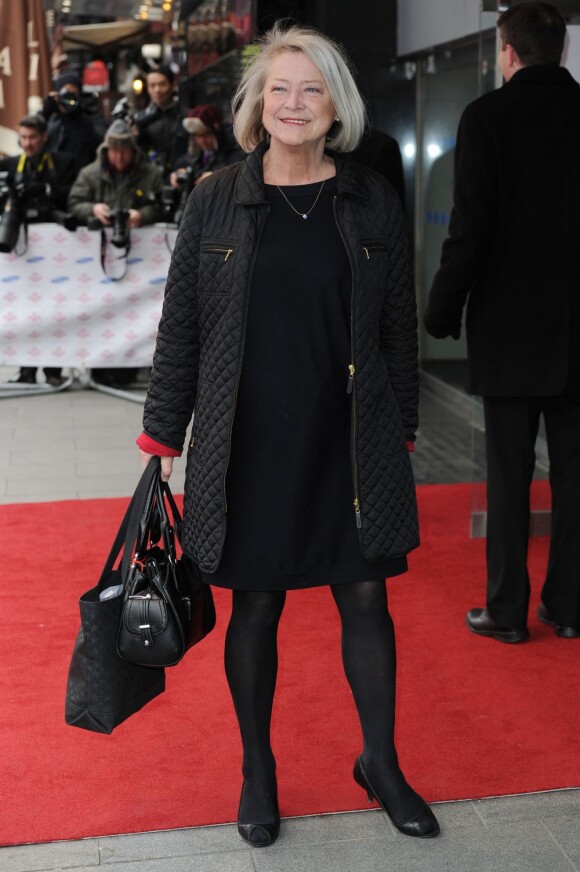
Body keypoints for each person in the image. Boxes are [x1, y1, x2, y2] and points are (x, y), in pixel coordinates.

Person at [137, 23, 440, 847]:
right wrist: (163, 432)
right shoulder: (216, 196)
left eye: (311, 89)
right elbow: (182, 327)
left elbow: (394, 327)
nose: (295, 103)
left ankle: (379, 761)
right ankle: (257, 770)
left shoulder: (370, 193)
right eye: (280, 89)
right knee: (257, 605)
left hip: (350, 429)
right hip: (250, 434)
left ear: (334, 102)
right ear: (257, 106)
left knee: (367, 596)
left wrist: (403, 422)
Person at [424, 2, 580, 643]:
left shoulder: (486, 118)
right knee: (575, 477)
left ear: (508, 52)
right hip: (578, 333)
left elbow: (471, 231)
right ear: (561, 51)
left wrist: (441, 309)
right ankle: (569, 609)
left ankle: (507, 612)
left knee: (508, 475)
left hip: (509, 330)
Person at [68, 119, 163, 388]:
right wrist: (93, 209)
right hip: (99, 262)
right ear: (106, 150)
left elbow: (163, 206)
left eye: (125, 151)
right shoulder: (91, 173)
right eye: (114, 150)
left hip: (142, 261)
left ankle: (140, 362)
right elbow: (74, 202)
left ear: (133, 151)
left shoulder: (149, 173)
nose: (119, 156)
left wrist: (142, 215)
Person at [1, 114, 76, 387]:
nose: (27, 143)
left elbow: (72, 194)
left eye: (32, 137)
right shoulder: (9, 164)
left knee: (54, 306)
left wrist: (44, 189)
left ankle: (53, 370)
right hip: (21, 251)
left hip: (56, 250)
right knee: (23, 308)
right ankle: (26, 369)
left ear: (44, 137)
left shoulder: (62, 162)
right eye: (23, 138)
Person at [42, 72, 104, 175]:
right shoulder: (52, 116)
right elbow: (33, 139)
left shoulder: (91, 113)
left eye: (73, 94)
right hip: (55, 174)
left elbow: (101, 139)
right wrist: (45, 114)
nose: (69, 100)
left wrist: (79, 115)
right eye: (65, 95)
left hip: (82, 173)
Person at [133, 65, 187, 178]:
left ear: (172, 85)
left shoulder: (185, 116)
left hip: (180, 174)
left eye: (162, 84)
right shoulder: (140, 118)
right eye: (152, 85)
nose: (157, 90)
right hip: (149, 176)